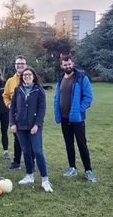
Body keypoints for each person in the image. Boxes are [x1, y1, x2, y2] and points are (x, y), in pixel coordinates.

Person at [9, 66, 52, 193]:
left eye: (29, 75)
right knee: (26, 151)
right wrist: (13, 123)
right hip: (20, 126)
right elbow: (12, 108)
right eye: (25, 75)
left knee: (38, 151)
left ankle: (45, 179)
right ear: (22, 77)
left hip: (34, 126)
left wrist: (36, 125)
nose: (27, 76)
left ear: (33, 77)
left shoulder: (39, 91)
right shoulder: (18, 90)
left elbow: (41, 110)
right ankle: (29, 175)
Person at [54, 54, 96, 182]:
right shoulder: (60, 78)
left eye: (69, 64)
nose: (67, 66)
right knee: (69, 144)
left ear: (73, 64)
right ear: (62, 65)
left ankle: (88, 170)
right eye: (65, 65)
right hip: (64, 118)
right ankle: (72, 167)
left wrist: (78, 110)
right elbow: (57, 96)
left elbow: (88, 97)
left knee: (82, 144)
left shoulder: (81, 78)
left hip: (77, 119)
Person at [3, 55, 34, 170]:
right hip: (17, 116)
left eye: (22, 63)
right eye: (18, 64)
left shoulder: (31, 78)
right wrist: (9, 105)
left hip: (30, 116)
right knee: (18, 139)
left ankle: (31, 162)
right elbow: (5, 95)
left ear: (26, 65)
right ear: (15, 66)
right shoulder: (10, 81)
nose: (20, 65)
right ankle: (16, 162)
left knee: (31, 139)